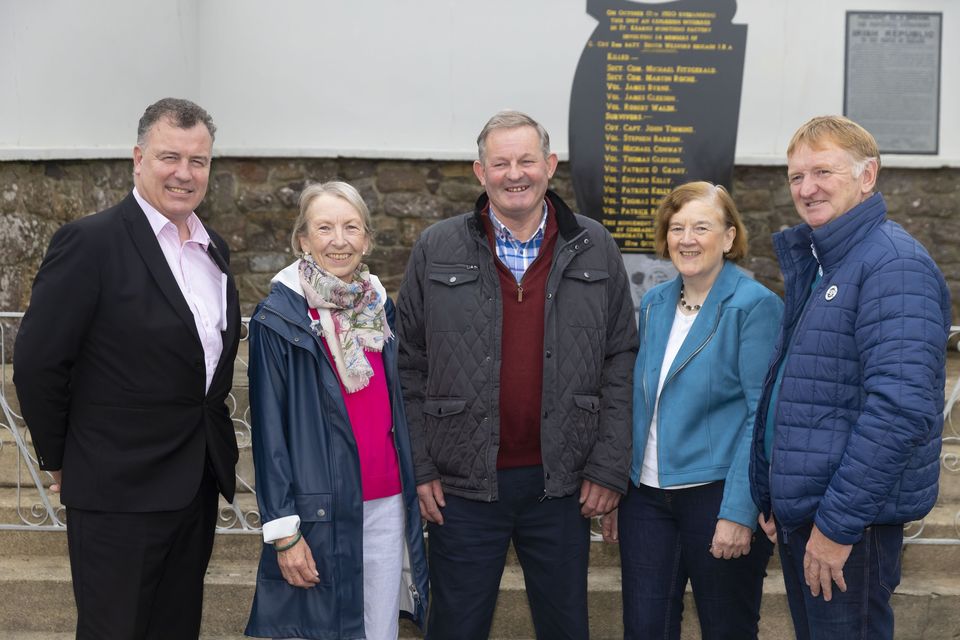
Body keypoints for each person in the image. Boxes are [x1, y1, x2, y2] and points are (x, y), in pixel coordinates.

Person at [396, 110, 638, 640]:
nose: (515, 173)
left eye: (527, 160)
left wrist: (608, 466)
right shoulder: (438, 247)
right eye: (500, 162)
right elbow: (408, 362)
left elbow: (621, 358)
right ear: (480, 173)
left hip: (563, 485)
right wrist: (418, 466)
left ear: (549, 165)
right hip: (461, 486)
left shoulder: (594, 245)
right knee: (455, 627)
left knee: (565, 626)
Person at [13, 98, 241, 639]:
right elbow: (38, 362)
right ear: (137, 159)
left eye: (199, 161)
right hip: (116, 490)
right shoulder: (90, 243)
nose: (184, 174)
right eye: (169, 157)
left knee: (175, 628)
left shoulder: (216, 251)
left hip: (195, 483)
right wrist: (61, 456)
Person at [749, 115, 951, 639]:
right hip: (811, 517)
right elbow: (809, 388)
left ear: (868, 176)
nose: (806, 188)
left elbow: (900, 410)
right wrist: (772, 493)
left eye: (822, 171)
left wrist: (836, 527)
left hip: (847, 527)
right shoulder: (826, 262)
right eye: (796, 176)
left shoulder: (892, 265)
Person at [244, 181, 428, 640]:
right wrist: (284, 532)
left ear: (366, 238)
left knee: (379, 630)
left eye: (351, 227)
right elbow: (269, 434)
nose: (339, 240)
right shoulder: (279, 318)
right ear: (302, 240)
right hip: (320, 508)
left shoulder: (380, 306)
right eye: (324, 228)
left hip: (386, 502)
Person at [601, 182, 782, 639]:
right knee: (645, 629)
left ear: (728, 236)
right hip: (646, 497)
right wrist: (618, 484)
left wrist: (740, 511)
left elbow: (761, 416)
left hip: (716, 494)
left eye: (702, 227)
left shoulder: (754, 306)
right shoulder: (658, 303)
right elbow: (640, 402)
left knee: (726, 628)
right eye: (677, 227)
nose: (687, 239)